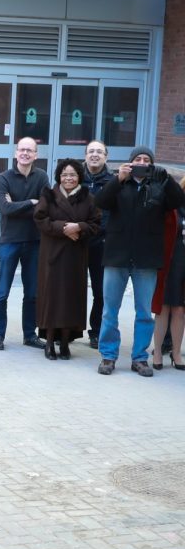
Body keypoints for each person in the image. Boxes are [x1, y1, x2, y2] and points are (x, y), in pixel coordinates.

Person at [93, 145, 185, 377]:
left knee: (144, 312)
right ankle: (108, 355)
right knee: (110, 310)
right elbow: (100, 202)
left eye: (147, 160)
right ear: (131, 162)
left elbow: (178, 200)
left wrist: (167, 179)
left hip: (147, 258)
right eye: (138, 159)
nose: (142, 163)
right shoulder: (119, 183)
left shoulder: (158, 186)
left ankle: (140, 358)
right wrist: (118, 179)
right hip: (117, 256)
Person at [33, 159, 101, 359]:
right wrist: (64, 228)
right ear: (58, 177)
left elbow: (96, 223)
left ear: (79, 176)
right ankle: (49, 342)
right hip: (52, 255)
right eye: (64, 175)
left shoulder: (88, 198)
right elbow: (39, 218)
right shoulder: (49, 195)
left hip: (75, 256)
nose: (68, 178)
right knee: (52, 298)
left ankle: (65, 342)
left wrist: (78, 227)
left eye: (72, 175)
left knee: (71, 299)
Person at [0, 137, 49, 351]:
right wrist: (31, 202)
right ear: (16, 153)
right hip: (9, 242)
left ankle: (30, 335)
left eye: (29, 150)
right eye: (22, 149)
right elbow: (5, 209)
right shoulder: (3, 178)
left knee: (32, 292)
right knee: (2, 292)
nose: (25, 153)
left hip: (34, 242)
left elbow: (45, 207)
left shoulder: (42, 177)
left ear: (36, 155)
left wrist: (18, 205)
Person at [149, 176, 185, 370]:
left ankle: (176, 353)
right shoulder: (172, 204)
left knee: (180, 309)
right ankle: (157, 351)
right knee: (163, 306)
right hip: (170, 259)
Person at [81, 141, 113, 349]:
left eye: (99, 152)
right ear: (85, 155)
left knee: (100, 291)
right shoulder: (75, 178)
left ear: (106, 157)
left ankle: (96, 331)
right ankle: (69, 330)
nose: (95, 155)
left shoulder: (113, 182)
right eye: (91, 151)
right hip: (77, 242)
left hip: (101, 243)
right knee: (72, 289)